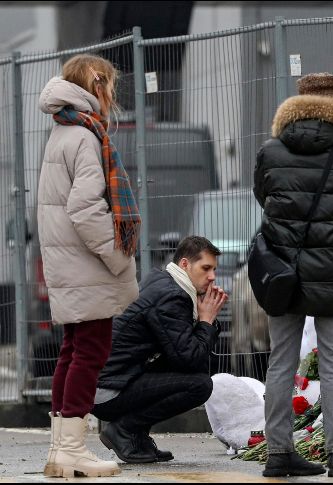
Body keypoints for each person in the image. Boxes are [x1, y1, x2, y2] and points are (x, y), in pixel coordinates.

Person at [253, 72, 333, 478]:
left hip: (283, 272)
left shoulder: (271, 151)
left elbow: (263, 195)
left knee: (281, 363)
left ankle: (278, 454)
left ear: (298, 101)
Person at [38, 53, 140, 478]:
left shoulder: (63, 130)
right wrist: (118, 257)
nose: (112, 95)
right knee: (91, 352)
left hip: (68, 262)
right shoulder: (84, 136)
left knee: (73, 350)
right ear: (97, 86)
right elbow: (84, 209)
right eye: (111, 85)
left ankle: (62, 449)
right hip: (87, 264)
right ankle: (73, 450)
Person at [91, 236, 228, 464]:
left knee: (191, 373)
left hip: (115, 380)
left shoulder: (166, 282)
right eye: (206, 268)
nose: (212, 276)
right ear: (185, 264)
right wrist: (205, 321)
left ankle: (137, 436)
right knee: (200, 385)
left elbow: (184, 353)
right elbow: (189, 359)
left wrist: (206, 322)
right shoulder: (172, 296)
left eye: (214, 269)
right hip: (108, 391)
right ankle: (124, 431)